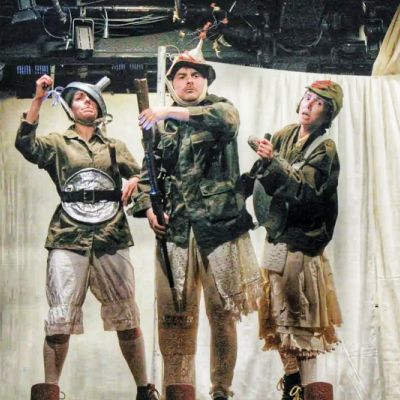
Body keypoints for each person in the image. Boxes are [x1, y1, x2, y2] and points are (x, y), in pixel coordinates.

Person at [130, 40, 261, 400]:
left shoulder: (221, 109)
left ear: (206, 81)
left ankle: (221, 391)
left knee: (222, 314)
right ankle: (178, 389)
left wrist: (167, 111)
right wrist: (149, 208)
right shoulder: (159, 127)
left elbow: (227, 122)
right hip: (175, 231)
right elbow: (147, 174)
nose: (189, 81)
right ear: (172, 83)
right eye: (181, 76)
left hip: (220, 230)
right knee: (175, 316)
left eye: (196, 75)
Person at [15, 74, 159, 400]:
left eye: (92, 98)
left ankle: (143, 390)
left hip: (111, 234)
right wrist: (38, 98)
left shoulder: (114, 147)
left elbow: (145, 178)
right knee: (60, 318)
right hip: (68, 235)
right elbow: (26, 145)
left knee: (127, 316)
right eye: (80, 98)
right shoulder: (57, 143)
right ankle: (51, 390)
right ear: (70, 107)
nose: (87, 102)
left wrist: (136, 182)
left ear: (101, 108)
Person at [248, 80, 344, 400]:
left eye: (318, 103)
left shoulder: (324, 148)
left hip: (302, 243)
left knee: (301, 323)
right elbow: (261, 179)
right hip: (275, 237)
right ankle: (293, 386)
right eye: (307, 97)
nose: (308, 105)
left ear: (327, 113)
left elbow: (306, 191)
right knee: (278, 320)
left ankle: (310, 390)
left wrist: (273, 162)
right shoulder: (285, 134)